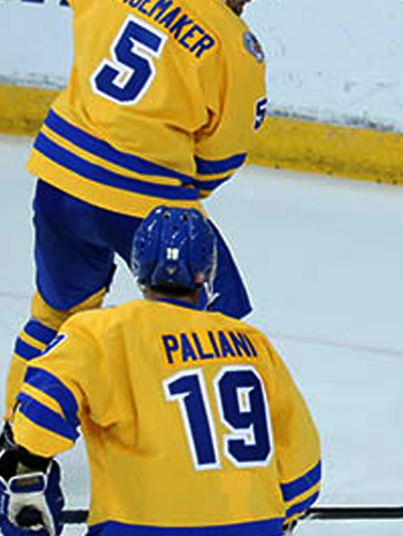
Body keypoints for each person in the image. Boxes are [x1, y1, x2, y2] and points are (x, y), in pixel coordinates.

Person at [5, 0, 280, 419]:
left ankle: (14, 458)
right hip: (150, 204)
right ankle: (210, 457)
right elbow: (218, 161)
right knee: (218, 326)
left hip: (59, 183)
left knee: (54, 319)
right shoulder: (234, 48)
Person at [0, 206, 321, 536]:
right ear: (208, 270)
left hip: (139, 528)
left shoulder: (100, 332)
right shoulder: (253, 344)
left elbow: (40, 415)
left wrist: (28, 471)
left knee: (19, 476)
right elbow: (302, 470)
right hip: (253, 528)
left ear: (138, 265)